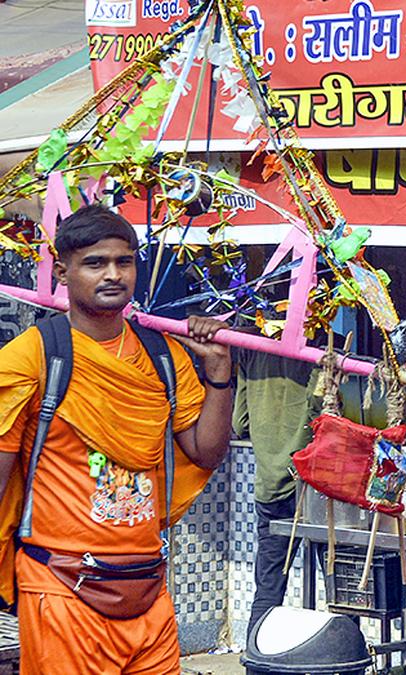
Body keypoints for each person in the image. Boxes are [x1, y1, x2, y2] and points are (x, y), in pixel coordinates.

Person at [0, 204, 233, 674]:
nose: (113, 275)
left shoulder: (160, 353)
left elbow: (206, 452)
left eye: (123, 262)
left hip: (147, 585)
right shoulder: (31, 357)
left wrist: (220, 373)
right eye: (95, 263)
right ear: (63, 272)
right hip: (60, 585)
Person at [233, 349, 321, 640]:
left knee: (268, 589)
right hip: (315, 486)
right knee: (340, 592)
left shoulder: (251, 350)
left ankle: (257, 663)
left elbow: (240, 423)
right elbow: (324, 413)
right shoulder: (320, 352)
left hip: (270, 486)